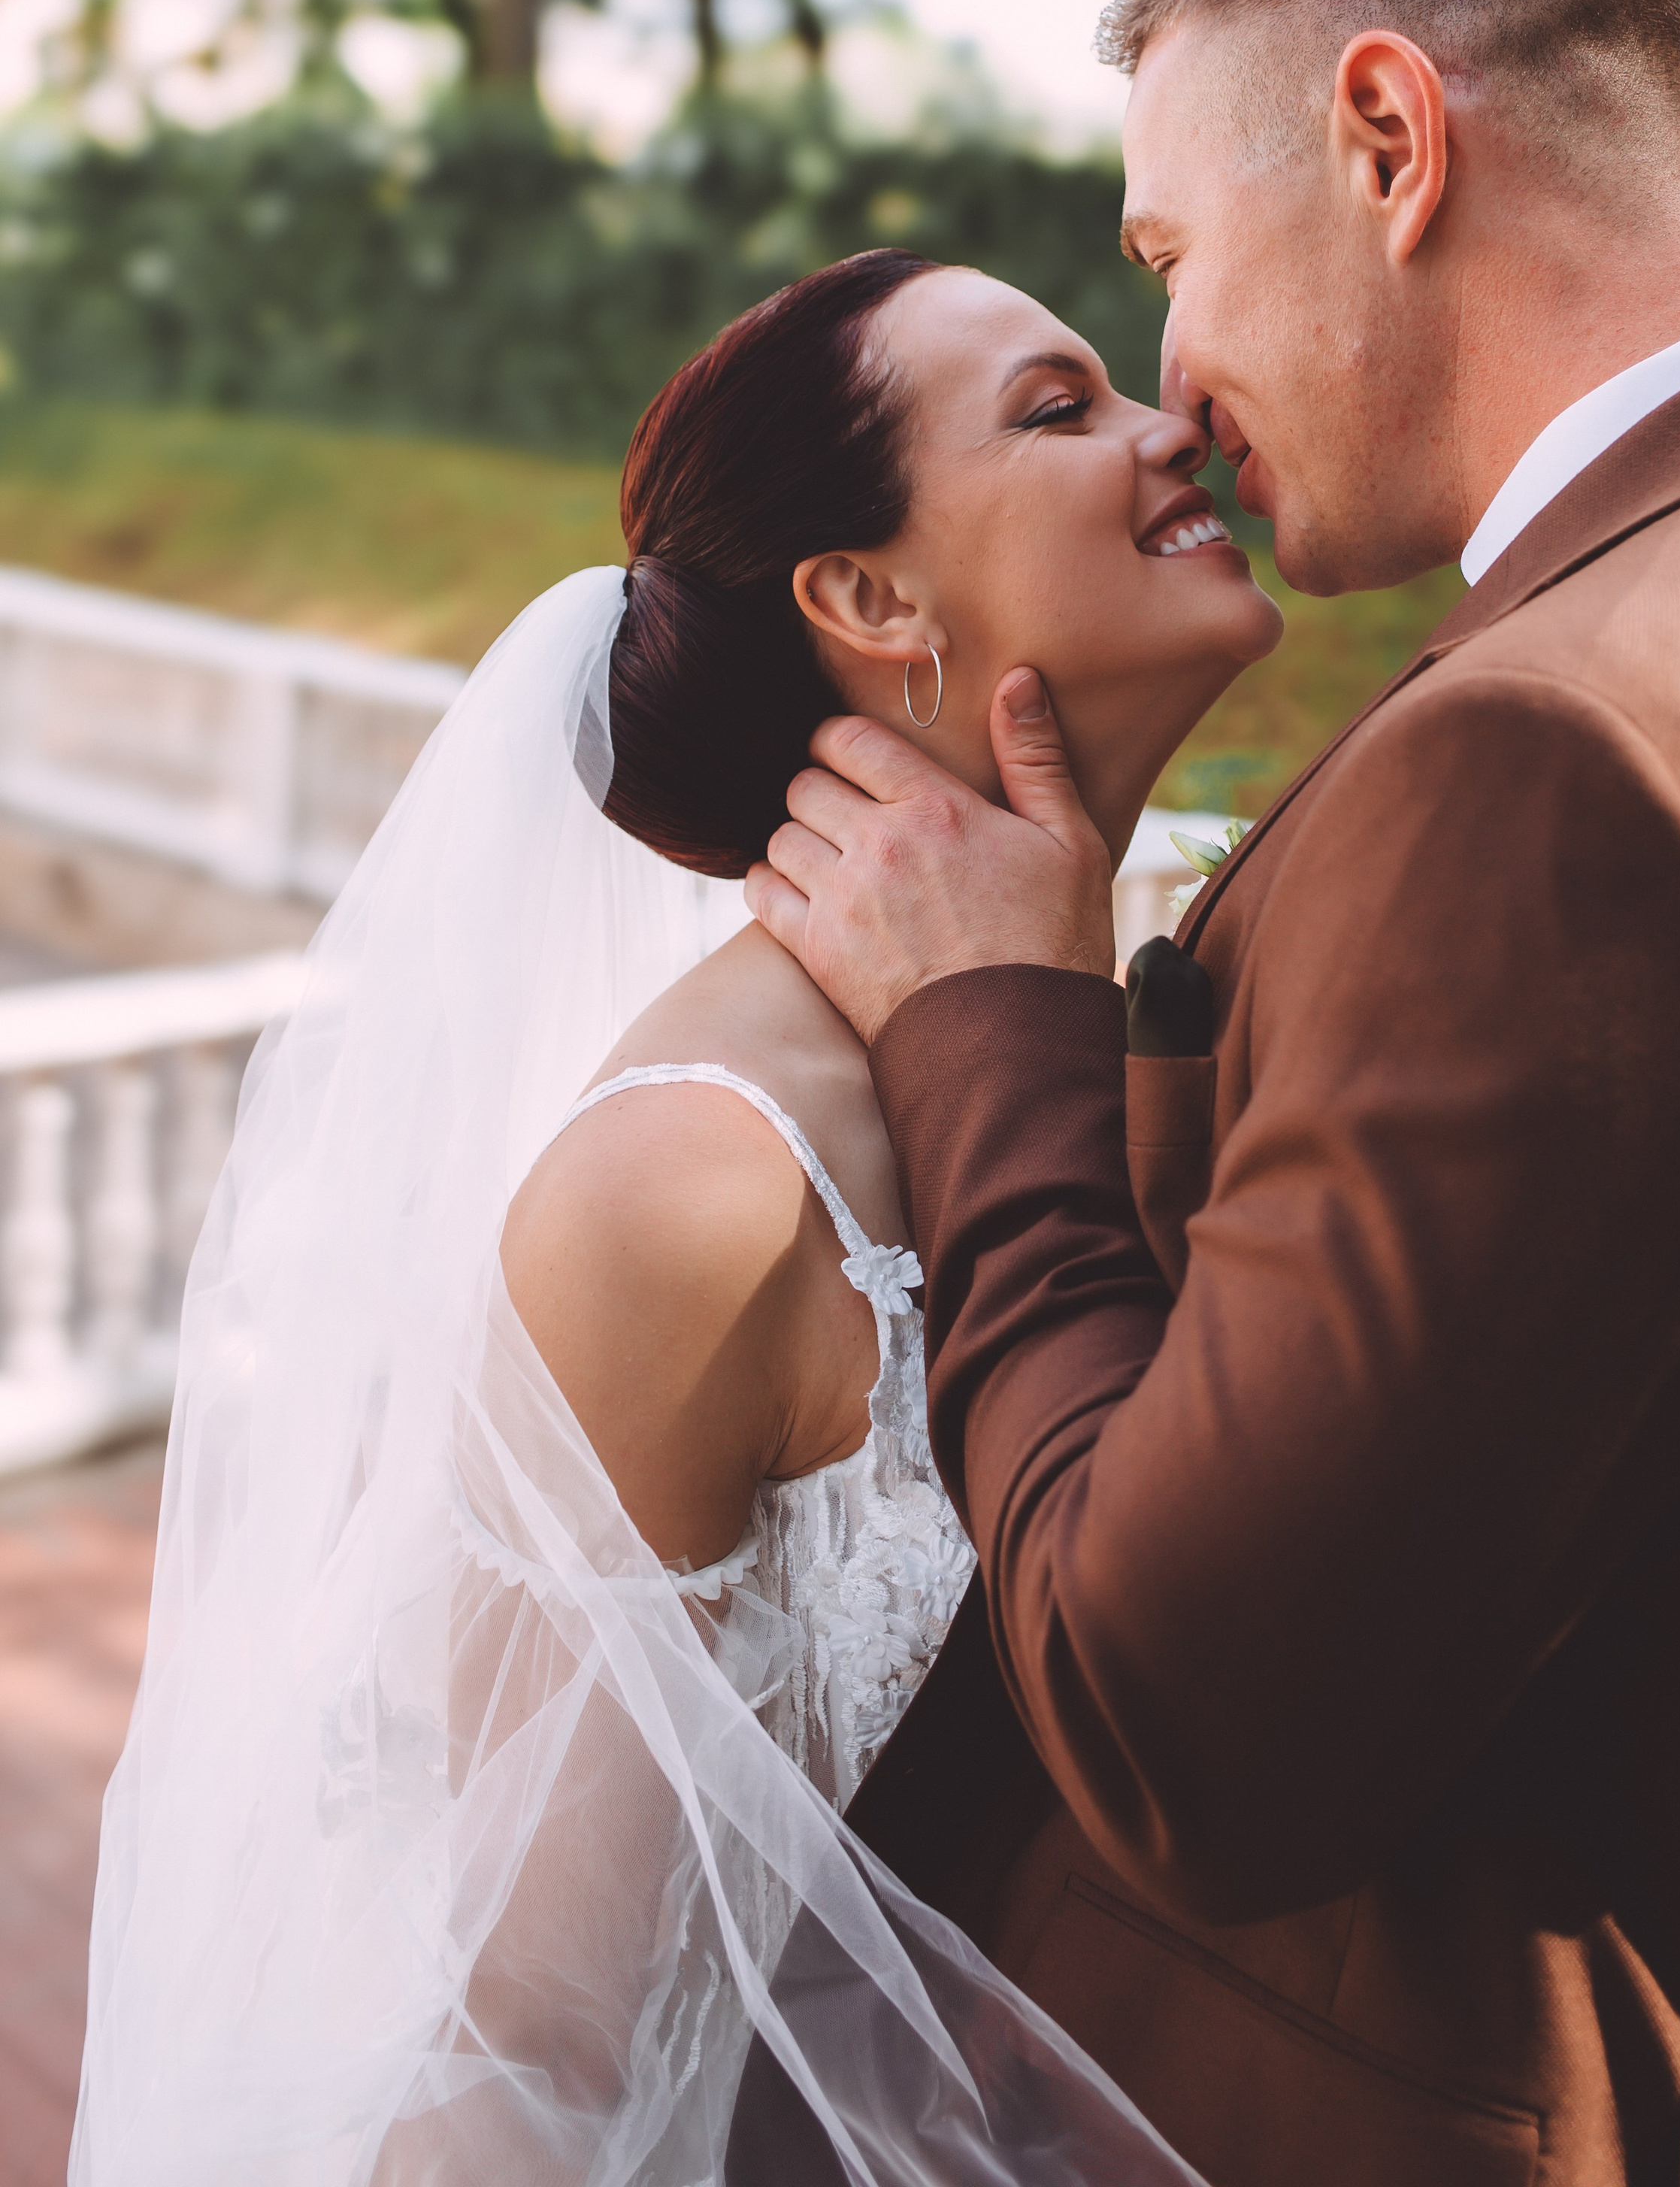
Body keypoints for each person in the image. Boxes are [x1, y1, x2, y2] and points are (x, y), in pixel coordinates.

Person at [747, 0, 1680, 2185]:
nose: (1176, 385)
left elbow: (1194, 1738)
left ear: (1389, 139)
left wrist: (1002, 1047)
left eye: (1170, 249)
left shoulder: (1559, 767)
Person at [72, 247, 1273, 2185]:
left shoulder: (1163, 1004)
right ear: (870, 600)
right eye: (1061, 409)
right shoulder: (697, 1183)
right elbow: (530, 2030)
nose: (1176, 423)